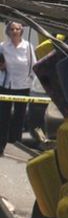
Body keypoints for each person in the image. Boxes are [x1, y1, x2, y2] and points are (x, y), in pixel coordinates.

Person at [0, 21, 36, 149]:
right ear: (8, 31)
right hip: (6, 85)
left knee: (19, 117)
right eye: (12, 29)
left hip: (23, 85)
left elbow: (33, 65)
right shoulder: (3, 46)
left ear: (21, 31)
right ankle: (1, 146)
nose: (15, 32)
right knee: (3, 116)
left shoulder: (28, 46)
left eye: (17, 29)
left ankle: (16, 143)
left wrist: (30, 80)